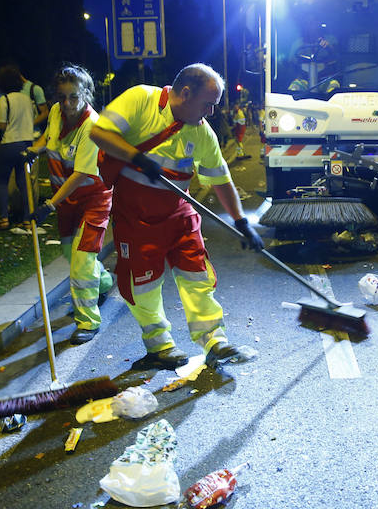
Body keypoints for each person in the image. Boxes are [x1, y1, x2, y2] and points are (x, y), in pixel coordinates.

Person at [90, 63, 263, 370]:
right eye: (208, 104)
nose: (211, 112)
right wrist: (136, 158)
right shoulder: (140, 100)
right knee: (142, 285)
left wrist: (241, 224)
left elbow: (221, 179)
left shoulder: (201, 132)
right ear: (185, 92)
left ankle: (214, 341)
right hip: (135, 217)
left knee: (198, 274)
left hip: (178, 213)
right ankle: (159, 345)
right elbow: (99, 132)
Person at [25, 65, 113, 344]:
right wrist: (31, 150)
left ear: (86, 95)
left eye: (73, 97)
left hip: (92, 200)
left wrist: (48, 205)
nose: (67, 104)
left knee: (82, 259)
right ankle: (105, 282)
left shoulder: (92, 127)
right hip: (66, 200)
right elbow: (48, 139)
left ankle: (87, 321)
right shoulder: (55, 112)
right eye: (62, 97)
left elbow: (79, 175)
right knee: (69, 252)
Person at [0, 65, 36, 230]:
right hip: (27, 143)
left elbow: (2, 125)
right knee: (24, 182)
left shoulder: (5, 99)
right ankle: (27, 219)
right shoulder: (27, 99)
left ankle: (4, 218)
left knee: (2, 180)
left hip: (10, 143)